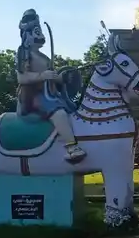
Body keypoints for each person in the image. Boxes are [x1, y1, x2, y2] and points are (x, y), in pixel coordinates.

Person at [15, 9, 87, 164]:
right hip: (33, 96)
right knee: (59, 114)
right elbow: (21, 77)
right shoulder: (23, 52)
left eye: (40, 31)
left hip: (51, 94)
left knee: (72, 109)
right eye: (36, 31)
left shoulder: (44, 57)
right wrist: (43, 76)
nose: (40, 35)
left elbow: (52, 77)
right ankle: (71, 147)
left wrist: (60, 78)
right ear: (27, 35)